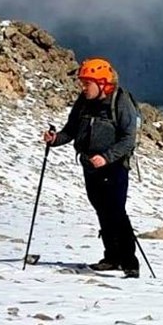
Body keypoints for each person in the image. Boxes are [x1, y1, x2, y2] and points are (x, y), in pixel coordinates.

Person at [43, 57, 140, 276]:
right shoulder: (84, 101)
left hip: (114, 167)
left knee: (116, 211)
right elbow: (71, 130)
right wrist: (55, 139)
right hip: (90, 166)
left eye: (87, 83)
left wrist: (106, 157)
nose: (83, 87)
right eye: (83, 83)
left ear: (103, 83)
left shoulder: (120, 102)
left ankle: (130, 262)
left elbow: (128, 139)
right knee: (102, 210)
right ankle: (111, 257)